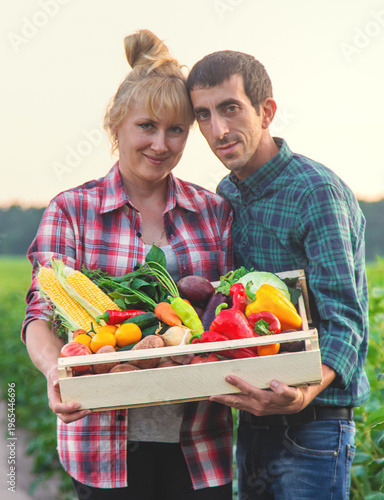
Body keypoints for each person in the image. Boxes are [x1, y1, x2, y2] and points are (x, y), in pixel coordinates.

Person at [22, 30, 234, 500]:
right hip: (103, 447)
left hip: (199, 442)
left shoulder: (212, 212)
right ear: (116, 124)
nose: (161, 144)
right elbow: (41, 312)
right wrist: (55, 369)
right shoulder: (71, 211)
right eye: (147, 126)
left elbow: (226, 314)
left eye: (176, 130)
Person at [187, 50, 369, 499]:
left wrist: (304, 392)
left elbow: (346, 322)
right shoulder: (226, 195)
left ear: (266, 111)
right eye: (203, 115)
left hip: (315, 426)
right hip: (252, 417)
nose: (218, 130)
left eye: (230, 109)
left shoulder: (316, 192)